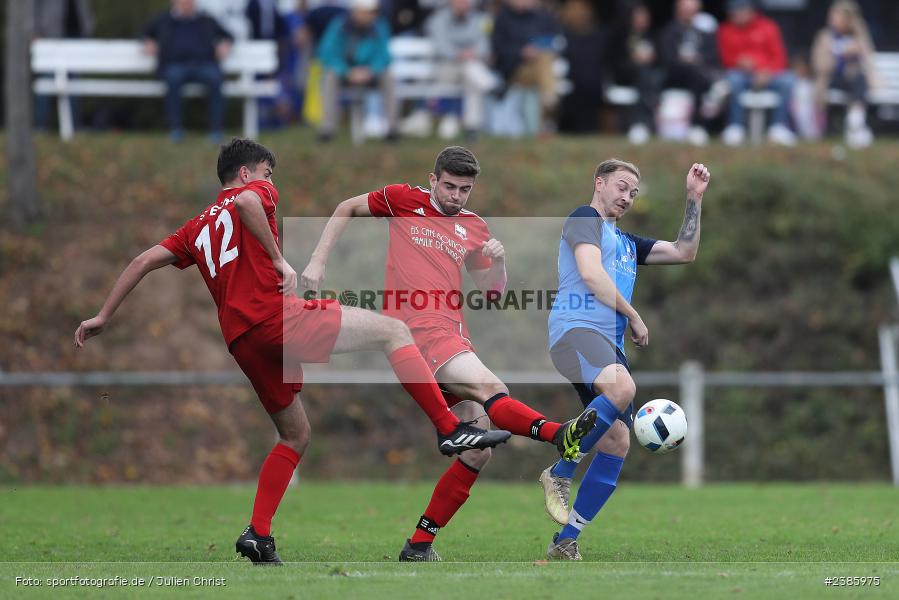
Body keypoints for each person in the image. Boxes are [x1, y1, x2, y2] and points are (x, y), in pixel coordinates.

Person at [74, 139, 509, 565]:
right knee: (394, 330)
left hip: (241, 341)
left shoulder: (196, 226)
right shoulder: (256, 190)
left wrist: (103, 315)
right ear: (247, 173)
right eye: (267, 173)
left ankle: (258, 535)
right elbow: (246, 204)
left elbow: (144, 260)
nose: (270, 181)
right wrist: (280, 258)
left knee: (295, 434)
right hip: (277, 318)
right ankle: (448, 427)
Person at [301, 146, 599, 561]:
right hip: (420, 332)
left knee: (478, 450)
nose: (456, 195)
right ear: (432, 179)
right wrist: (317, 261)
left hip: (452, 333)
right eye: (450, 186)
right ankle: (557, 435)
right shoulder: (404, 200)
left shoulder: (475, 227)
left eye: (465, 189)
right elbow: (346, 207)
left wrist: (499, 263)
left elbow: (492, 293)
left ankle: (419, 545)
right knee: (493, 388)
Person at [540, 159, 710, 560]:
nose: (627, 196)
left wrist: (694, 199)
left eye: (634, 192)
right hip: (575, 330)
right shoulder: (584, 219)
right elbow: (591, 273)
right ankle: (560, 472)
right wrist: (633, 315)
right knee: (624, 387)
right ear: (598, 183)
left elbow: (684, 252)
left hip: (605, 344)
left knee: (617, 441)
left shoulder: (629, 244)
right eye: (620, 186)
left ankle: (566, 540)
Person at [141, 0, 234, 143]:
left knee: (215, 77)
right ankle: (176, 129)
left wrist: (225, 44)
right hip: (175, 64)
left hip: (203, 64)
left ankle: (216, 130)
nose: (186, 2)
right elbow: (144, 32)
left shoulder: (206, 20)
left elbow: (228, 35)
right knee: (173, 77)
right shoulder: (163, 19)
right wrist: (148, 41)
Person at [717, 0, 796, 146]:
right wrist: (739, 63)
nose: (736, 14)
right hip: (742, 76)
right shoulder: (726, 30)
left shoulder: (768, 26)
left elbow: (780, 58)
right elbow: (724, 59)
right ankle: (736, 126)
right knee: (733, 79)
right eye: (734, 11)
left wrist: (766, 72)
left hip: (767, 75)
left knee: (788, 79)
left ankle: (778, 127)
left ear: (751, 10)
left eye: (740, 10)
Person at [317, 0, 398, 141]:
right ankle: (327, 129)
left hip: (371, 74)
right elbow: (327, 53)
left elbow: (384, 55)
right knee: (330, 76)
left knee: (388, 77)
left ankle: (392, 130)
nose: (368, 16)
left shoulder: (380, 26)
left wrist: (370, 71)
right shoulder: (339, 26)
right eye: (364, 12)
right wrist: (347, 71)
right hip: (345, 74)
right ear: (355, 11)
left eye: (371, 12)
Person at [811, 0, 878, 149]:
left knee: (858, 77)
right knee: (855, 78)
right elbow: (819, 66)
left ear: (848, 19)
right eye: (832, 15)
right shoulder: (825, 36)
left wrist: (857, 48)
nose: (832, 18)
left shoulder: (858, 35)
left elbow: (869, 60)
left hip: (854, 81)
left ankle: (856, 118)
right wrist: (838, 54)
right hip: (830, 80)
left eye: (837, 15)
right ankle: (856, 120)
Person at [424, 0, 495, 140]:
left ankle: (471, 128)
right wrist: (459, 54)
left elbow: (484, 45)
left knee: (471, 78)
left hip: (469, 69)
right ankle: (492, 86)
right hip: (445, 69)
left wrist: (471, 53)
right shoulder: (437, 19)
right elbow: (441, 46)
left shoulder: (481, 20)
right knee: (471, 69)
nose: (462, 3)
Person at [491, 0, 562, 133]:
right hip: (513, 70)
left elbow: (556, 41)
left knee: (544, 57)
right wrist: (521, 52)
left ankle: (547, 100)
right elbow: (498, 49)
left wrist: (540, 49)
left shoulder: (543, 17)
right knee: (544, 62)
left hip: (537, 69)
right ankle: (550, 98)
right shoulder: (502, 18)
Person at [658, 0, 720, 146]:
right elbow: (666, 58)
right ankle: (697, 125)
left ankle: (714, 125)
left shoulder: (703, 33)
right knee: (698, 75)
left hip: (700, 74)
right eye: (685, 9)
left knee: (705, 76)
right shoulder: (669, 32)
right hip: (675, 75)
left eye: (692, 10)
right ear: (678, 10)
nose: (689, 13)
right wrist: (684, 60)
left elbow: (713, 57)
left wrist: (699, 59)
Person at [33, 0, 95, 131]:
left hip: (76, 36)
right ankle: (41, 125)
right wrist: (36, 29)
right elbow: (34, 5)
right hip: (51, 35)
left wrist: (88, 25)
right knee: (47, 81)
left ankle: (74, 126)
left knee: (74, 83)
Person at [608, 2, 663, 145]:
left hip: (647, 76)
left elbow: (662, 60)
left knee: (652, 76)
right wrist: (634, 59)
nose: (643, 18)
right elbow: (614, 61)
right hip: (624, 75)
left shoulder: (653, 36)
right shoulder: (621, 35)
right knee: (644, 74)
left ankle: (649, 123)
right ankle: (640, 123)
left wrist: (652, 58)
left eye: (645, 15)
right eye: (639, 15)